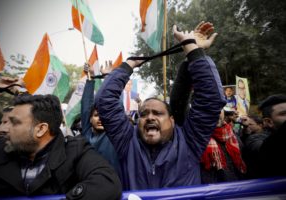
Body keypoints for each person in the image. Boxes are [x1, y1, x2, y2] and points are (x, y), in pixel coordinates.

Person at [94, 21, 226, 190]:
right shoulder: (127, 142)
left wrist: (193, 50)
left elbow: (211, 99)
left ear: (172, 120)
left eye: (158, 113)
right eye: (143, 114)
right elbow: (105, 102)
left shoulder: (190, 141)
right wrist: (128, 66)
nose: (149, 117)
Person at [0, 93, 122, 199]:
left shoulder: (76, 151)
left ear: (40, 129)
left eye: (14, 123)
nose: (2, 129)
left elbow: (107, 183)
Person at [81, 64, 119, 173]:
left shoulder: (114, 135)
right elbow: (85, 107)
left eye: (104, 115)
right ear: (90, 119)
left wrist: (108, 77)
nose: (100, 119)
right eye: (96, 115)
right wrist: (91, 78)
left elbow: (115, 103)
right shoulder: (87, 135)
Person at [200, 109, 246, 184]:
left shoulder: (232, 136)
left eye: (219, 108)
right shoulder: (197, 141)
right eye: (210, 109)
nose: (216, 112)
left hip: (238, 187)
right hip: (216, 192)